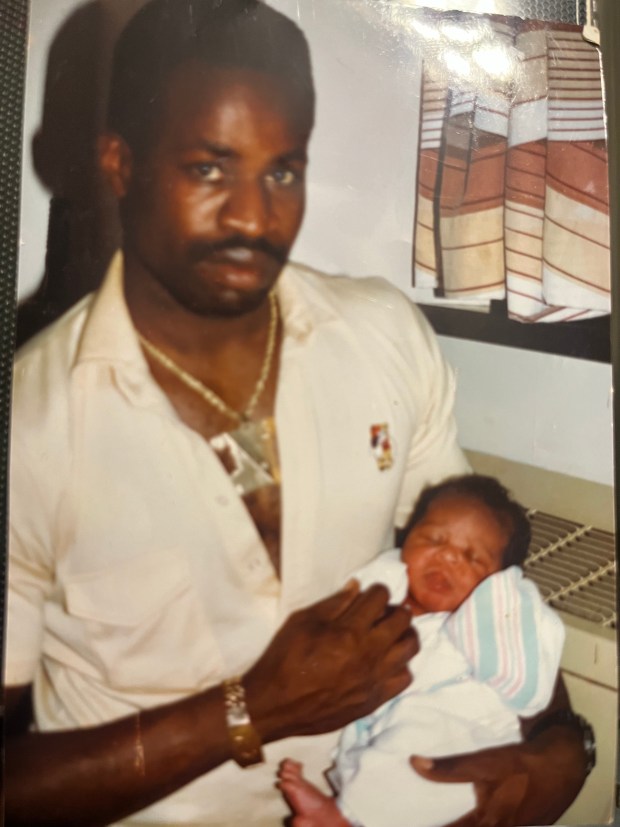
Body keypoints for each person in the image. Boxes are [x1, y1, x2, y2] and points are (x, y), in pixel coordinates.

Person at [5, 2, 591, 826]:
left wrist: (564, 744)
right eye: (210, 168)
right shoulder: (28, 426)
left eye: (282, 171)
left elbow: (480, 586)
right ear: (118, 164)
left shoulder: (382, 336)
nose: (254, 217)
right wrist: (249, 711)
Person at [278, 474, 565, 827]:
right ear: (406, 538)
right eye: (432, 539)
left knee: (420, 748)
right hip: (385, 721)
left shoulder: (484, 616)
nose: (448, 555)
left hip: (462, 723)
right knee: (379, 753)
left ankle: (346, 818)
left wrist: (502, 601)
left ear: (499, 582)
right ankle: (346, 807)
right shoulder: (388, 584)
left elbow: (526, 676)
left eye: (473, 557)